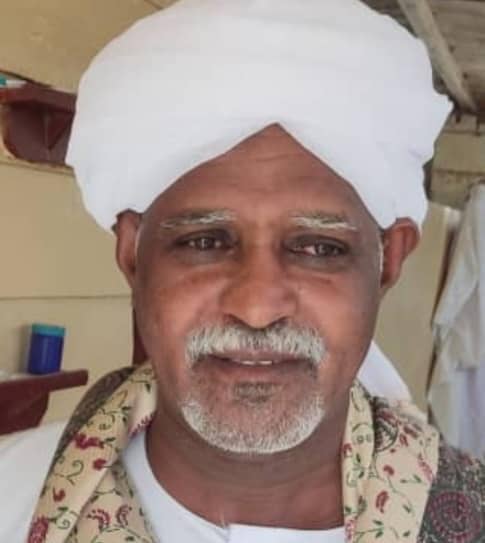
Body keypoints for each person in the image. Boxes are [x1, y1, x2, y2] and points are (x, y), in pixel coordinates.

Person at [24, 1, 485, 542]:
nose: (258, 306)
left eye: (319, 248)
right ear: (132, 254)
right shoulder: (13, 490)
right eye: (204, 242)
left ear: (389, 262)